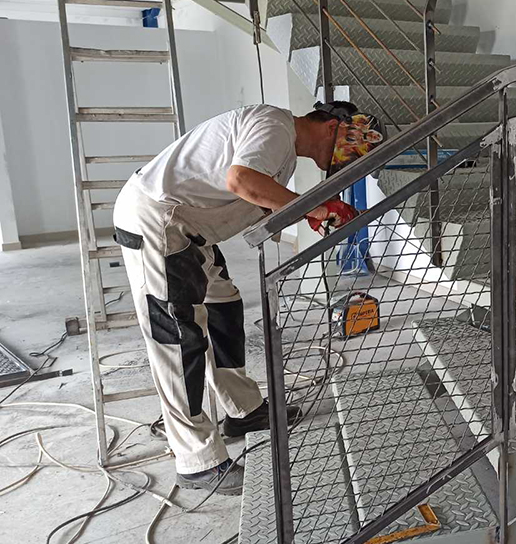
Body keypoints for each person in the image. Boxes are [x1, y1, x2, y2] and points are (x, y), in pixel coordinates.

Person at [112, 100, 384, 494]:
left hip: (191, 229)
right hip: (158, 221)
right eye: (355, 146)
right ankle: (196, 460)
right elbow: (241, 180)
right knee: (178, 337)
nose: (351, 159)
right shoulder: (275, 125)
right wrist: (314, 206)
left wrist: (310, 212)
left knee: (224, 306)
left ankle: (243, 410)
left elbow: (259, 200)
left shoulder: (282, 153)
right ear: (333, 127)